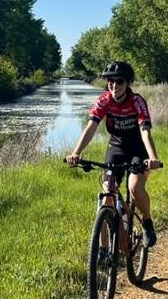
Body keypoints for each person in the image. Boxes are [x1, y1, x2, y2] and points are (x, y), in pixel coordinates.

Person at [66, 61, 162, 247]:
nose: (114, 85)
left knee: (134, 188)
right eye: (110, 81)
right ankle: (102, 250)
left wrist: (153, 157)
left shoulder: (137, 101)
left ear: (127, 83)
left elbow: (145, 131)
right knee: (107, 196)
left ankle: (147, 222)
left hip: (137, 149)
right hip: (116, 147)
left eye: (119, 81)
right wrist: (76, 153)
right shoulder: (103, 101)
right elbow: (91, 127)